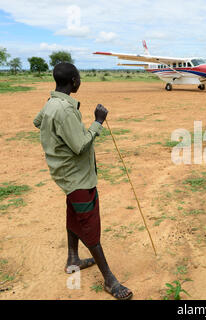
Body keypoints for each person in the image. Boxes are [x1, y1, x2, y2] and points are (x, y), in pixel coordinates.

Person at [33, 62, 133, 300]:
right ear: (74, 81)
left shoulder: (52, 102)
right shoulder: (65, 110)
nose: (80, 81)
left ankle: (73, 259)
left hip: (64, 174)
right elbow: (79, 146)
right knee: (89, 226)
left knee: (73, 215)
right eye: (79, 78)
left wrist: (56, 139)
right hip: (77, 176)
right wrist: (98, 121)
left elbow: (38, 122)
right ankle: (110, 280)